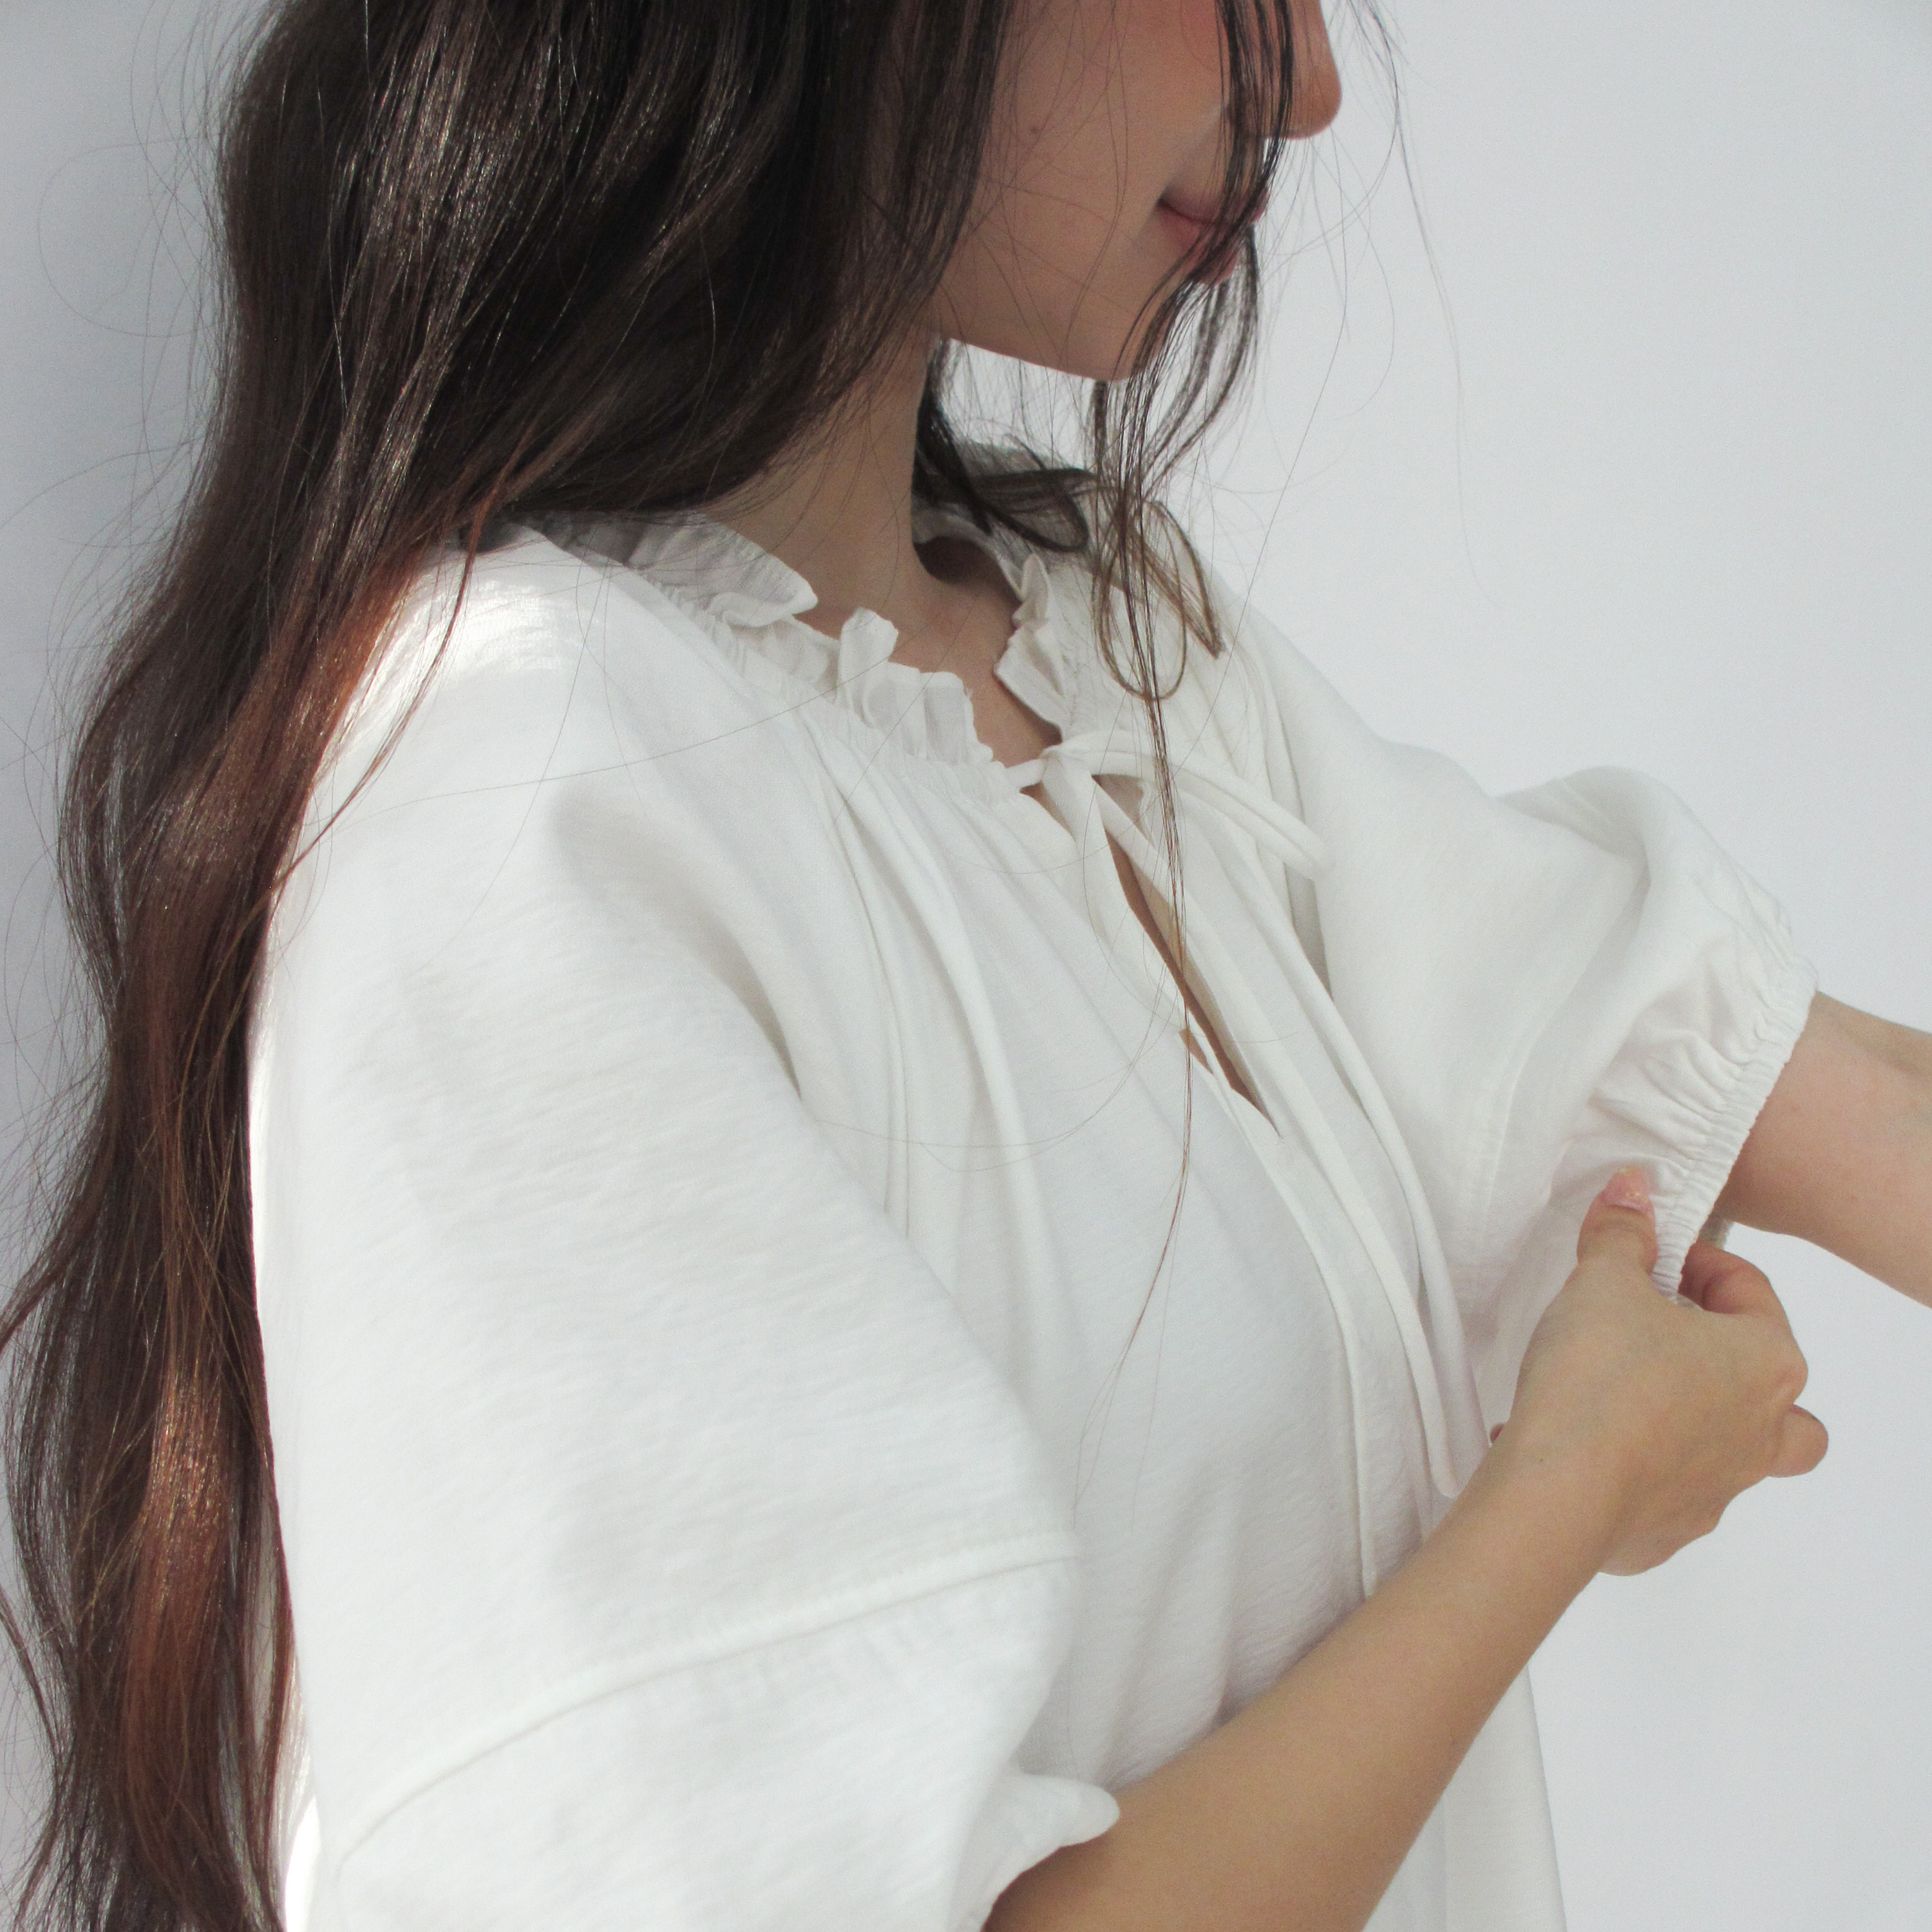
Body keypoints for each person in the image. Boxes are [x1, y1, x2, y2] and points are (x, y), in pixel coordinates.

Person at [2, 1, 1926, 1929]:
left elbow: (1757, 1071)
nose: (1314, 89)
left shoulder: (1102, 647)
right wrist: (1564, 1496)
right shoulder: (521, 797)